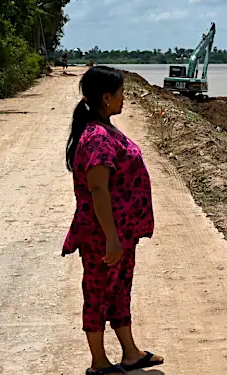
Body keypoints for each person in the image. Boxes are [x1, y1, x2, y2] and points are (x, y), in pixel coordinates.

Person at [62, 66, 164, 375]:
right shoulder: (96, 137)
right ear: (107, 98)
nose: (125, 99)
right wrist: (111, 237)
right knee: (98, 294)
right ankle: (98, 363)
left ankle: (131, 353)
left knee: (119, 291)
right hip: (102, 235)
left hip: (122, 233)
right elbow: (97, 188)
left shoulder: (104, 126)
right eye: (121, 94)